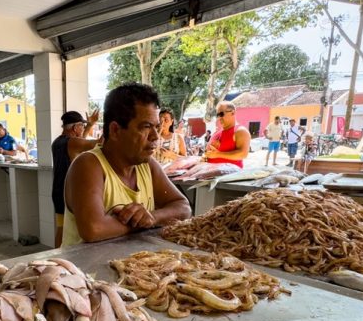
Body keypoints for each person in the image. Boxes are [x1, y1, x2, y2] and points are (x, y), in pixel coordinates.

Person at [62, 83, 191, 246]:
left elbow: (184, 208)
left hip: (134, 267)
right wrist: (140, 223)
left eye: (156, 127)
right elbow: (94, 229)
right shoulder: (88, 165)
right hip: (82, 270)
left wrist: (151, 217)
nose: (155, 137)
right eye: (146, 127)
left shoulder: (147, 165)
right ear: (115, 130)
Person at [51, 109, 100, 247]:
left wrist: (90, 126)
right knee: (71, 230)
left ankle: (56, 258)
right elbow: (99, 144)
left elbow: (79, 143)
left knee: (61, 227)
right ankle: (61, 259)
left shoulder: (57, 142)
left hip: (58, 191)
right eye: (82, 126)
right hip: (68, 194)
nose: (83, 129)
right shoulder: (72, 143)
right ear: (75, 127)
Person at [205, 102, 250, 167]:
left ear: (232, 113)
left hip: (229, 175)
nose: (219, 118)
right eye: (217, 115)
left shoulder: (240, 131)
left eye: (221, 114)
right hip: (211, 174)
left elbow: (243, 154)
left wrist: (218, 154)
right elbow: (208, 152)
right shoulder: (216, 133)